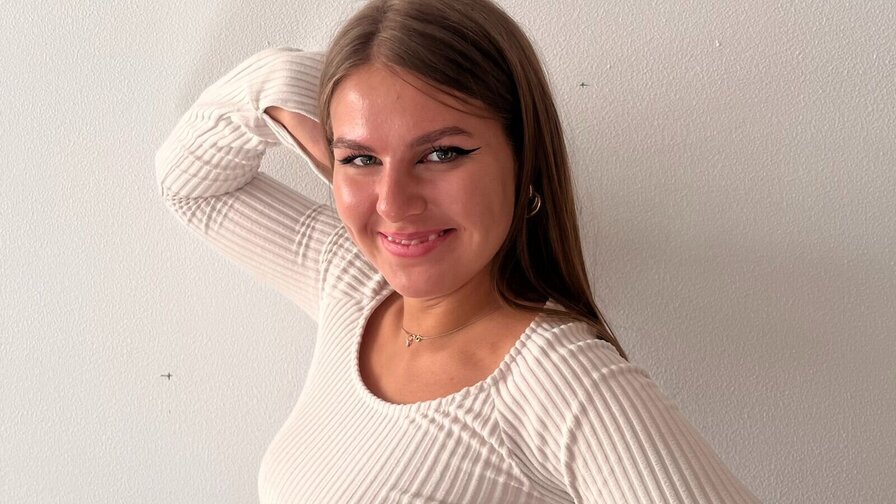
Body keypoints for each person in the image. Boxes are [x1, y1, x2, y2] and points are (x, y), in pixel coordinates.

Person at [155, 0, 760, 502]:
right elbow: (190, 184)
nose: (394, 203)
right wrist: (288, 86)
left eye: (441, 154)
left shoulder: (562, 383)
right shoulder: (350, 282)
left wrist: (358, 147)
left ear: (525, 160)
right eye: (363, 158)